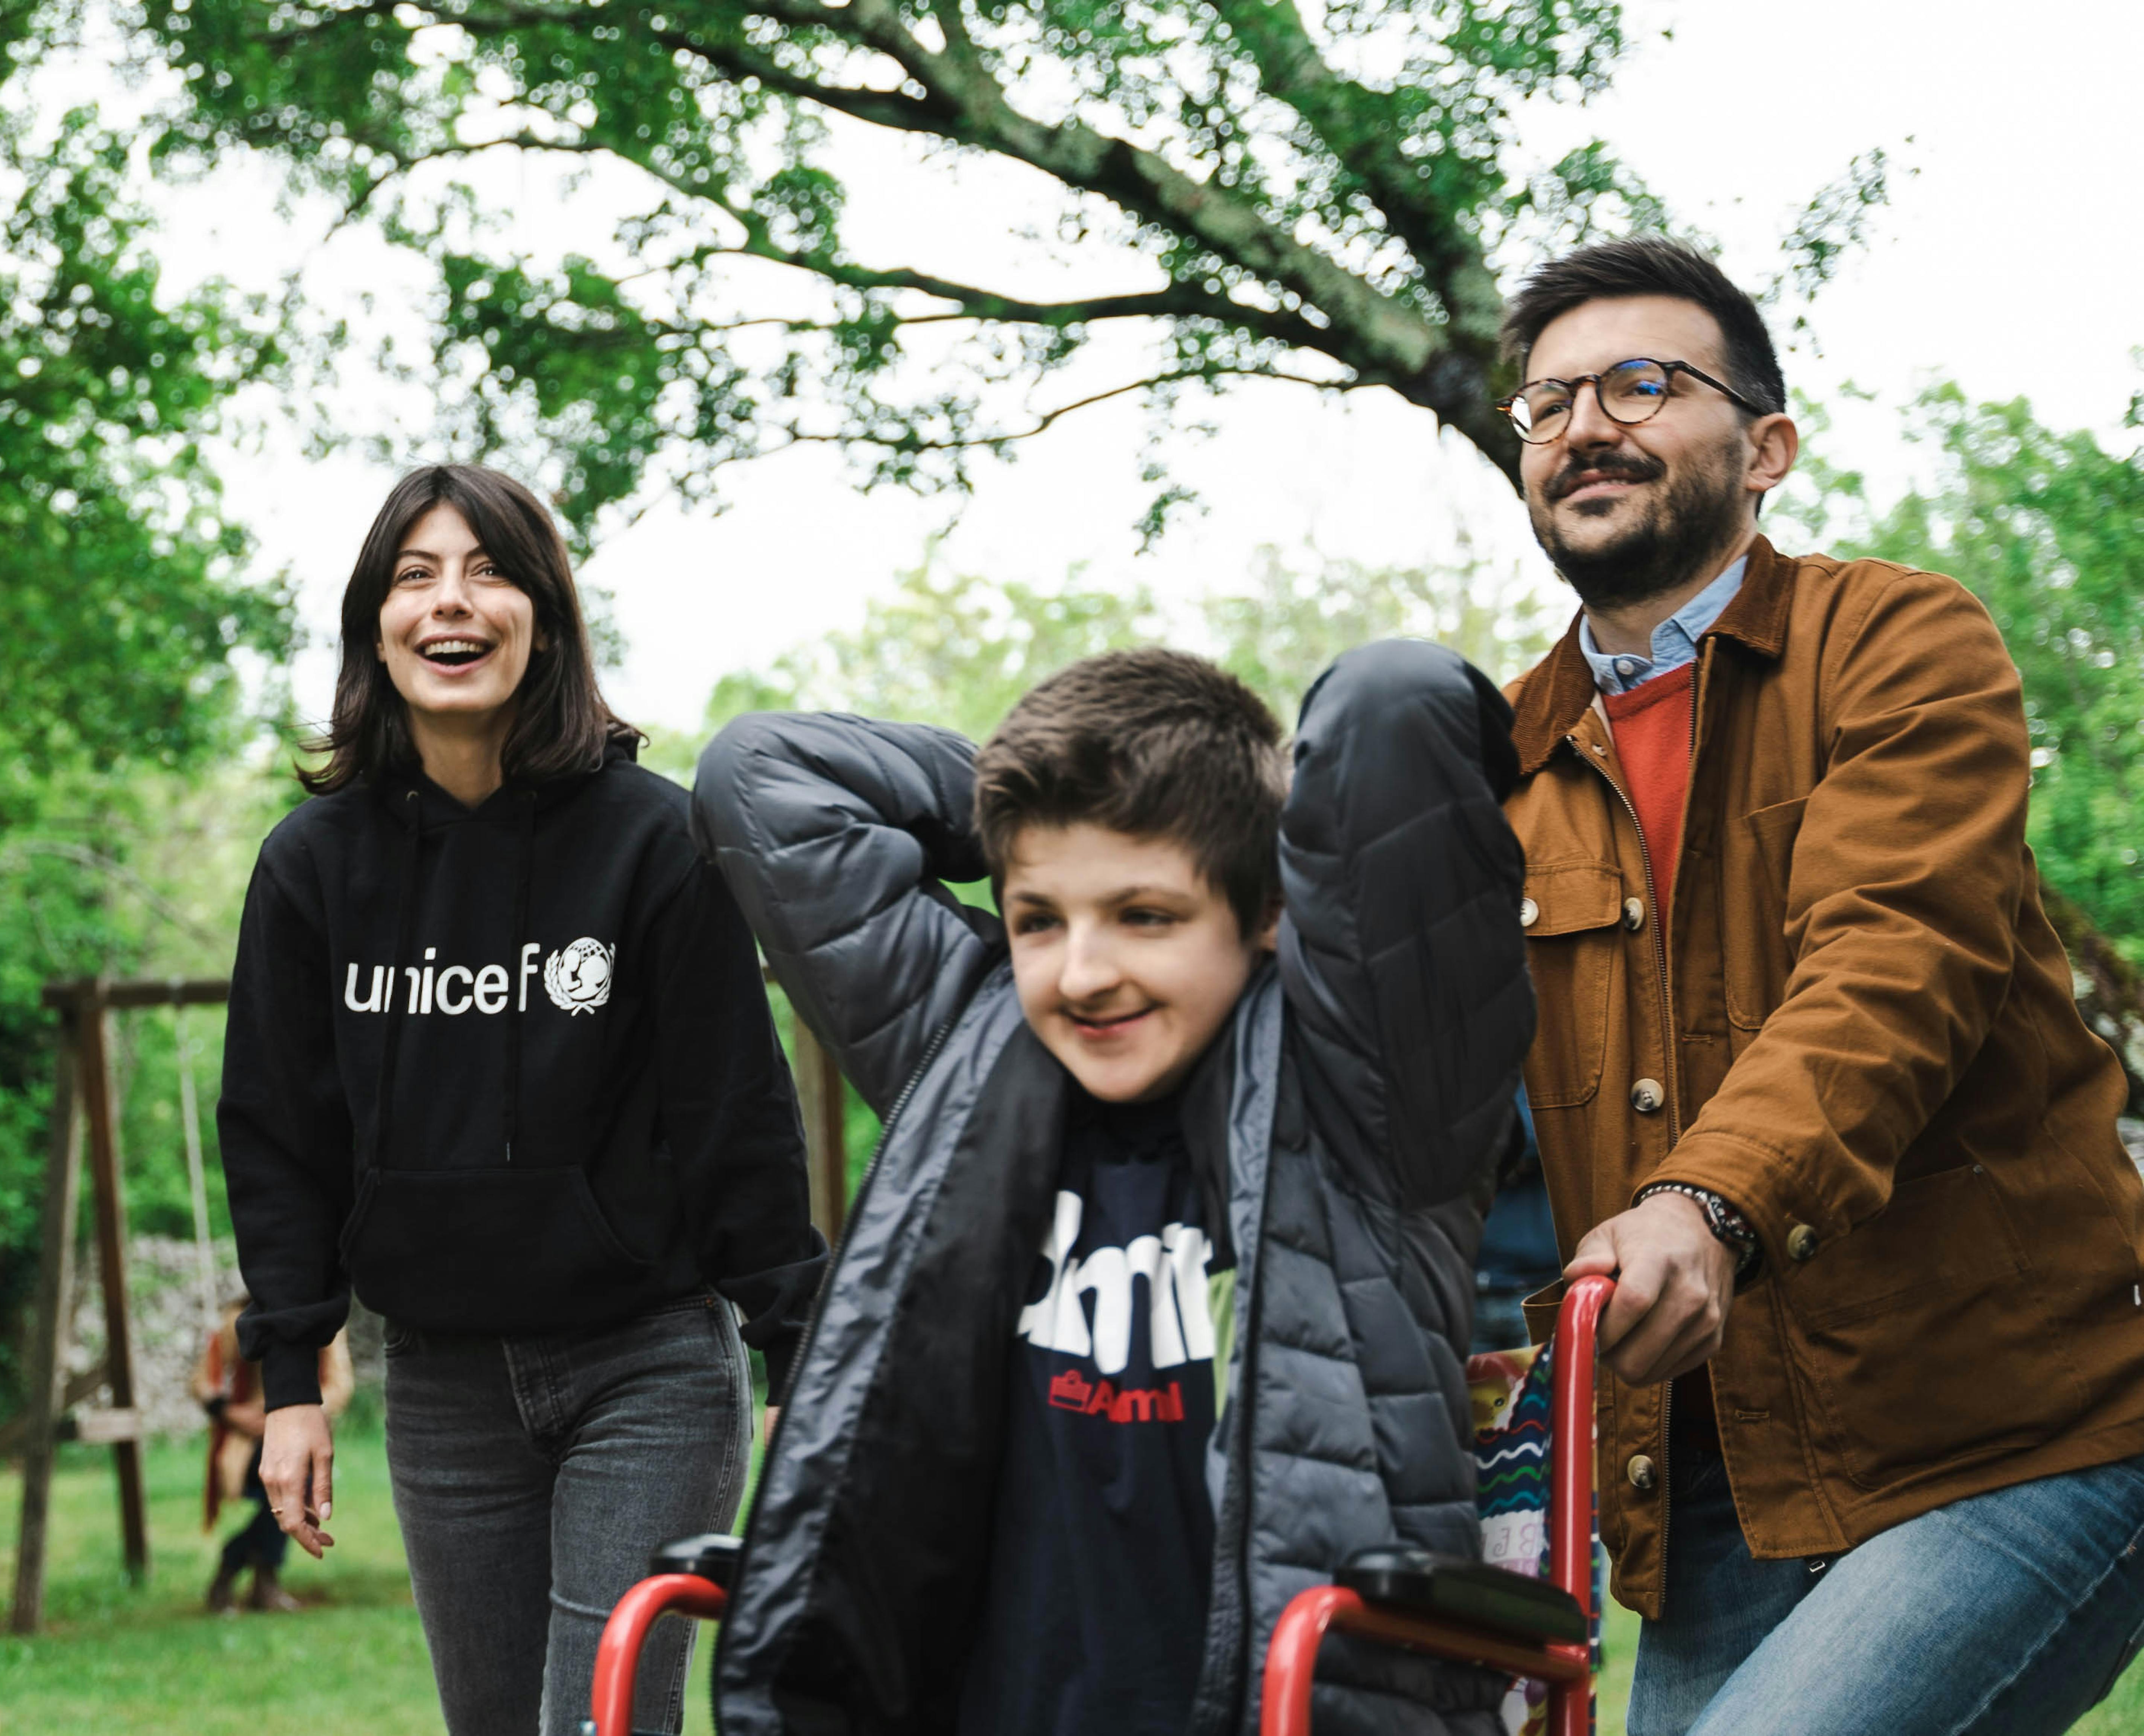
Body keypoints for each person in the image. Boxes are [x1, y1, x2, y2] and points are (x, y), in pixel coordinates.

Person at [1491, 237, 2144, 1735]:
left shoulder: (1897, 644)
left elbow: (1891, 962)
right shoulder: (1499, 759)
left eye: (1639, 383)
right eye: (1546, 404)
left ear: (1764, 446)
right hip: (1708, 1479)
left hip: (2015, 1420)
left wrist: (1701, 1202)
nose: (1582, 423)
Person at [691, 641, 1534, 1734]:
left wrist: (1223, 806)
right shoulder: (966, 1051)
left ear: (1272, 906)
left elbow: (1395, 702)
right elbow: (759, 775)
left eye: (1146, 913)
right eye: (1038, 916)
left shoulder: (1370, 1091)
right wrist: (1047, 801)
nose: (1083, 972)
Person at [218, 463, 830, 1736]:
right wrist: (288, 1380)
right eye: (415, 575)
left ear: (545, 617)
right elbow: (280, 1136)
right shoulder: (310, 867)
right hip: (440, 1381)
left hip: (645, 1363)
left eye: (490, 571)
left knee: (603, 1723)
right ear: (373, 627)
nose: (452, 602)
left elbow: (737, 1116)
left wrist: (797, 1351)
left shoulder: (656, 844)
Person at [193, 1293, 353, 1615]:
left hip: (301, 1435)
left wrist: (298, 1410)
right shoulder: (238, 1321)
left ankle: (238, 1569)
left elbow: (339, 1385)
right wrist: (229, 1412)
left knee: (294, 1490)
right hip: (248, 1442)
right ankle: (262, 1580)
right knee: (287, 1493)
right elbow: (201, 1381)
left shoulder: (325, 1320)